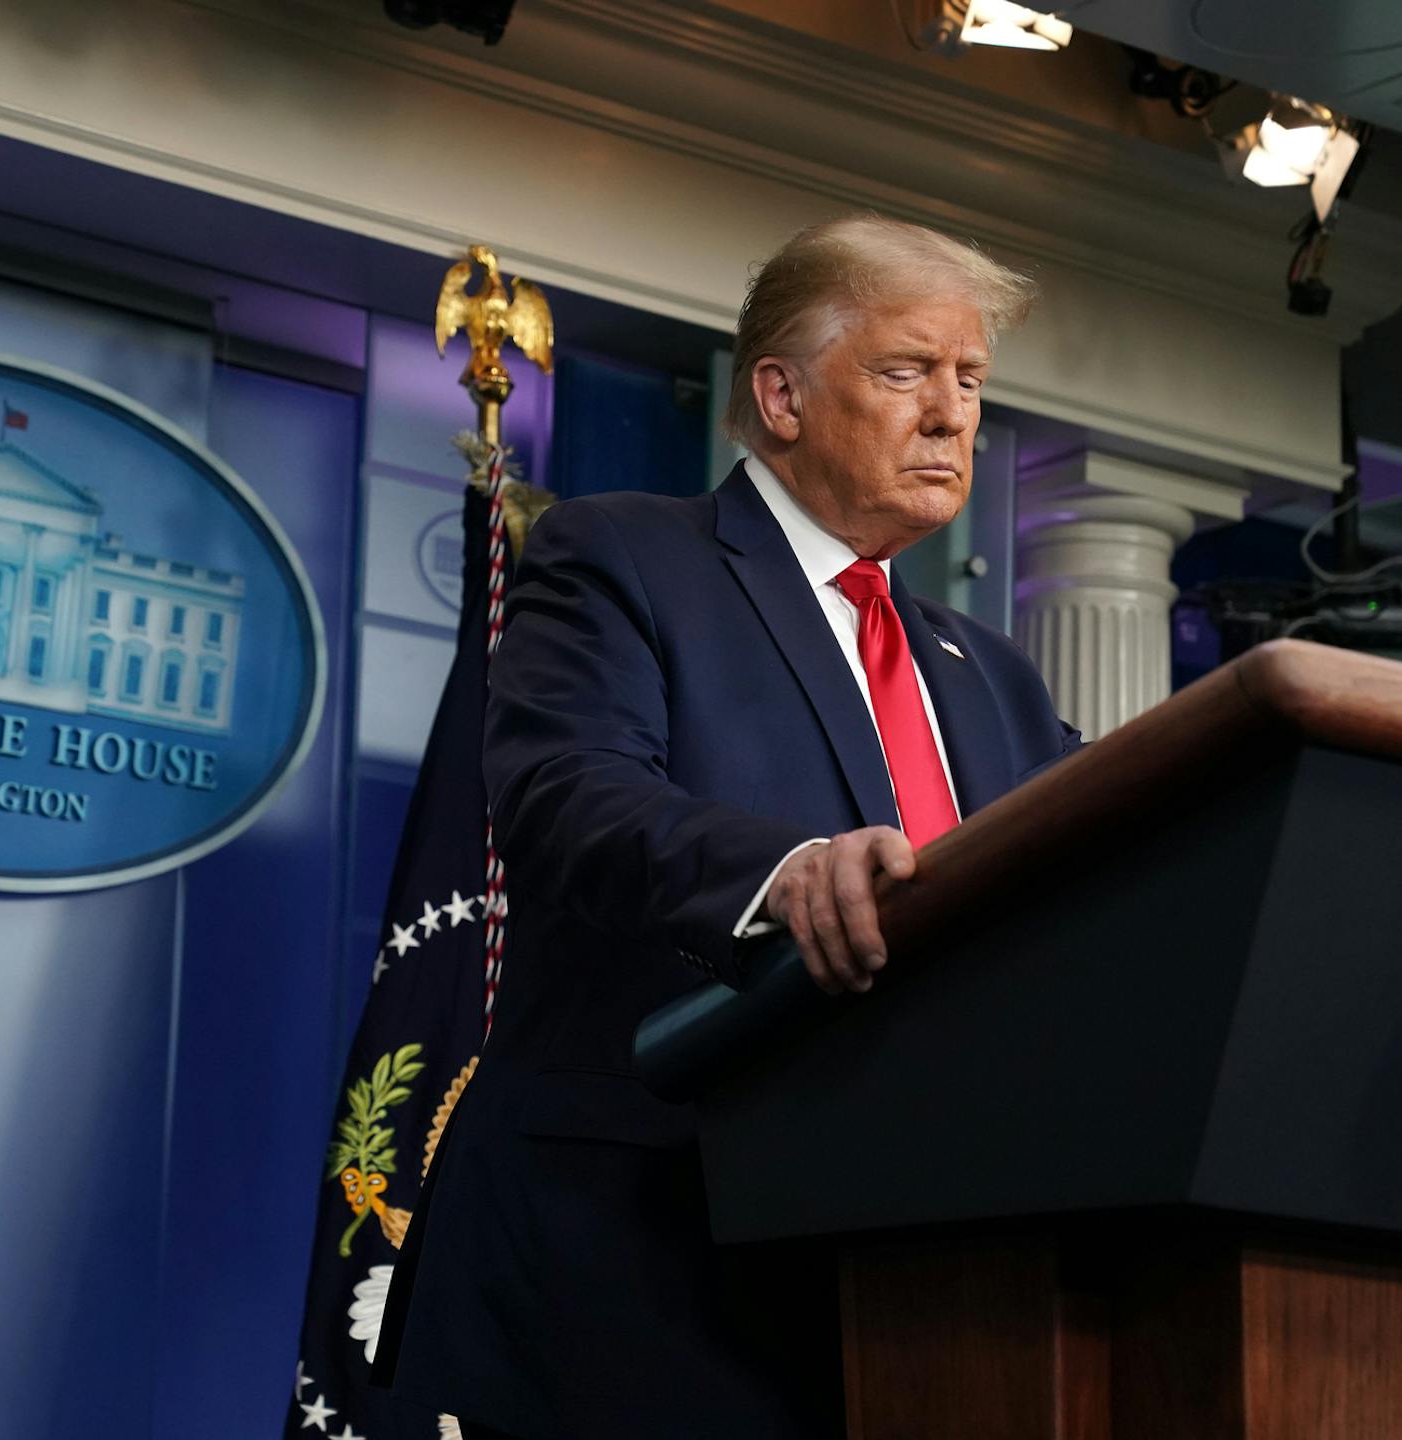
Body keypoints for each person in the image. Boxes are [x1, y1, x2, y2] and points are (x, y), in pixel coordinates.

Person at [375, 214, 1082, 1439]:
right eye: (908, 371)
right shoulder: (626, 558)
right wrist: (787, 875)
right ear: (783, 394)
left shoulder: (994, 676)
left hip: (924, 1277)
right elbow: (565, 796)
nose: (954, 415)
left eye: (971, 380)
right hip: (644, 1253)